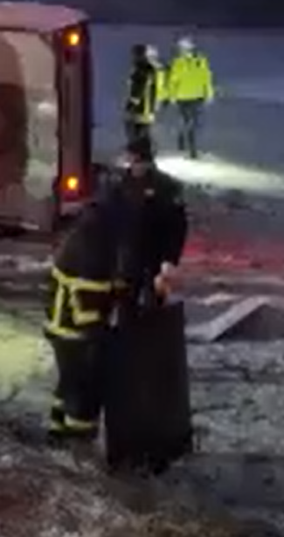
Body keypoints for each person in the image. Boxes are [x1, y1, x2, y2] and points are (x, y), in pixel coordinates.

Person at [44, 137, 189, 444]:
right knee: (84, 386)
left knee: (70, 382)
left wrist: (159, 271)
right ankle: (76, 443)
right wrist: (107, 329)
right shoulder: (95, 253)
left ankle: (58, 432)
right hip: (75, 331)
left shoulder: (96, 227)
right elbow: (94, 302)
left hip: (66, 327)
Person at [164, 36, 215, 158]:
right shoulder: (177, 62)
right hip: (182, 97)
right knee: (187, 123)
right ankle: (190, 149)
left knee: (194, 123)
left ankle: (186, 141)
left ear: (191, 48)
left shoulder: (201, 60)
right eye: (181, 48)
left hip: (198, 96)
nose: (183, 50)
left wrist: (209, 93)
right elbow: (173, 81)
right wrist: (171, 96)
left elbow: (206, 77)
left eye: (186, 47)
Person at [123, 43, 161, 151]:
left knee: (136, 131)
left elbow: (138, 88)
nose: (133, 56)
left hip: (142, 108)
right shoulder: (148, 68)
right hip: (147, 107)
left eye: (134, 54)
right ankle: (142, 154)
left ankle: (139, 154)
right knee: (142, 132)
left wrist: (132, 103)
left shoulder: (142, 68)